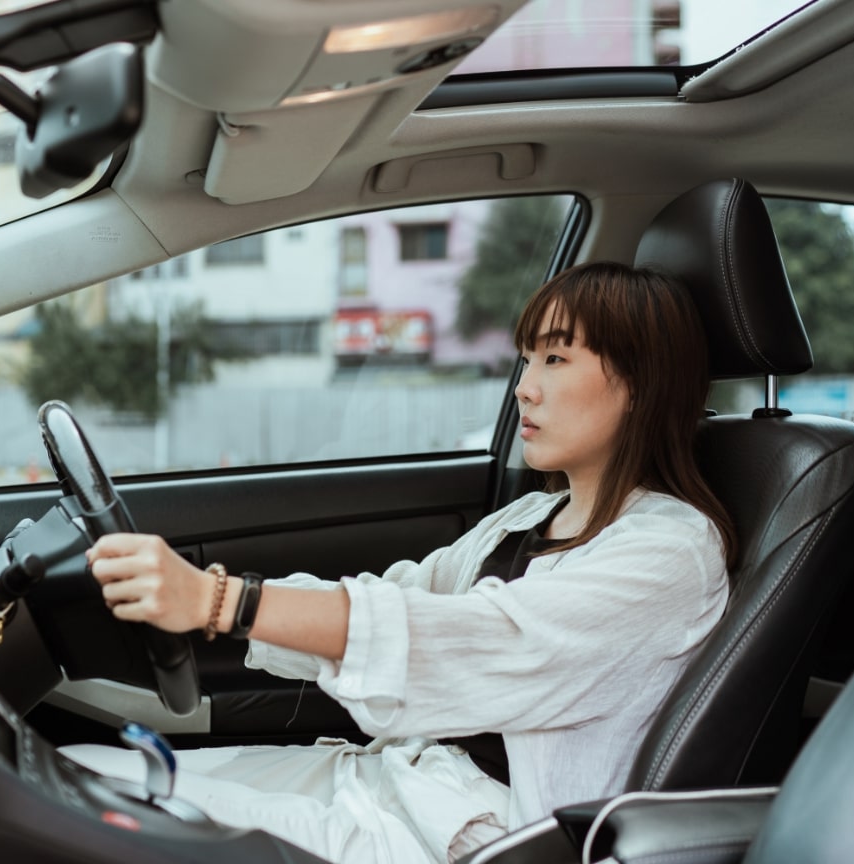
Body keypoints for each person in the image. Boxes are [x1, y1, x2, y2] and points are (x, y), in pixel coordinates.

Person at [65, 261, 735, 864]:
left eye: (555, 359)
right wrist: (215, 611)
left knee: (79, 815)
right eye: (526, 359)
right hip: (397, 779)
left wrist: (219, 602)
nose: (524, 388)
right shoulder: (530, 516)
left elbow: (465, 640)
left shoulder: (670, 553)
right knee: (74, 772)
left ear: (640, 384)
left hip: (466, 834)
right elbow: (404, 595)